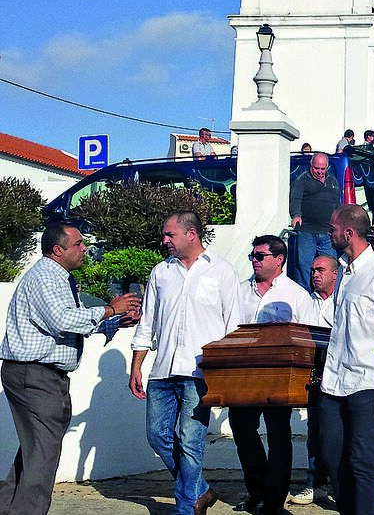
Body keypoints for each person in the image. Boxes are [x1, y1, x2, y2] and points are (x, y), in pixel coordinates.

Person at [0, 222, 140, 515]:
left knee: (35, 451)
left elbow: (68, 325)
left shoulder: (59, 277)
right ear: (57, 249)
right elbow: (62, 320)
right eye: (77, 244)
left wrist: (115, 322)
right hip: (35, 374)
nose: (84, 248)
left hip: (37, 374)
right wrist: (110, 309)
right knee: (43, 454)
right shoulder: (46, 278)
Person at [129, 210, 240, 515]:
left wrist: (226, 376)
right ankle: (201, 490)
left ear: (191, 234)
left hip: (199, 372)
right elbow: (147, 323)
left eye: (170, 235)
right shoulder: (160, 272)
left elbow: (233, 328)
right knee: (157, 435)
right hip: (162, 369)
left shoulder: (222, 271)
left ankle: (186, 508)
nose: (164, 240)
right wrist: (137, 364)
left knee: (191, 441)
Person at [319, 205, 374, 515]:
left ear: (348, 233)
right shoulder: (343, 271)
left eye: (332, 228)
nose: (328, 233)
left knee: (361, 458)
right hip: (334, 380)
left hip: (368, 379)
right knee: (332, 456)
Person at [231, 235, 314, 515]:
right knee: (242, 428)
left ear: (279, 259)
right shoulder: (239, 291)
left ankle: (275, 499)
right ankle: (258, 488)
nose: (254, 261)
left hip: (280, 374)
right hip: (243, 372)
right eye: (252, 256)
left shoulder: (296, 295)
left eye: (260, 256)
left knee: (279, 434)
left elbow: (308, 336)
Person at [291, 254, 338, 506]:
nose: (315, 275)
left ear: (335, 274)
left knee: (341, 432)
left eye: (320, 270)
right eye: (312, 270)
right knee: (315, 432)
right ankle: (315, 483)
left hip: (340, 374)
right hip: (313, 375)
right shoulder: (303, 302)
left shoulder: (343, 302)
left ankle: (342, 484)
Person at [289, 152, 340, 293]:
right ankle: (303, 297)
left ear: (327, 167)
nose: (319, 172)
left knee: (330, 267)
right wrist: (296, 215)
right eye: (317, 168)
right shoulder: (302, 180)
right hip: (307, 231)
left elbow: (337, 204)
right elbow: (295, 199)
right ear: (311, 166)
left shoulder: (333, 181)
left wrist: (338, 223)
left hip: (327, 233)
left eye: (323, 169)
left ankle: (329, 297)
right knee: (304, 267)